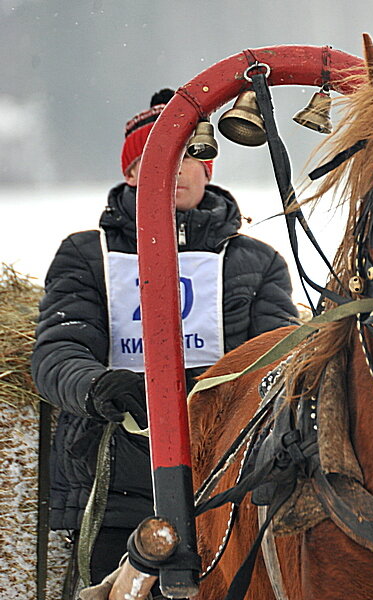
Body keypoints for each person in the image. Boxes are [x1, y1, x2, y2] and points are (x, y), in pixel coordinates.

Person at [31, 89, 298, 589]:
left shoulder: (259, 263)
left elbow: (281, 362)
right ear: (132, 174)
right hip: (111, 484)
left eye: (188, 157)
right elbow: (56, 352)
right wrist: (100, 387)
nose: (174, 170)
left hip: (227, 488)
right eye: (155, 158)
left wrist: (208, 390)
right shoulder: (86, 255)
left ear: (208, 170)